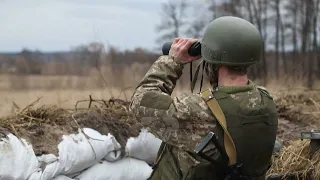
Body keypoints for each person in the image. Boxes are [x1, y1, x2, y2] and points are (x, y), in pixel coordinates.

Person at [129, 16, 278, 180]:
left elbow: (140, 102)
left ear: (215, 61)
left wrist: (172, 61)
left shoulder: (197, 110)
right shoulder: (266, 100)